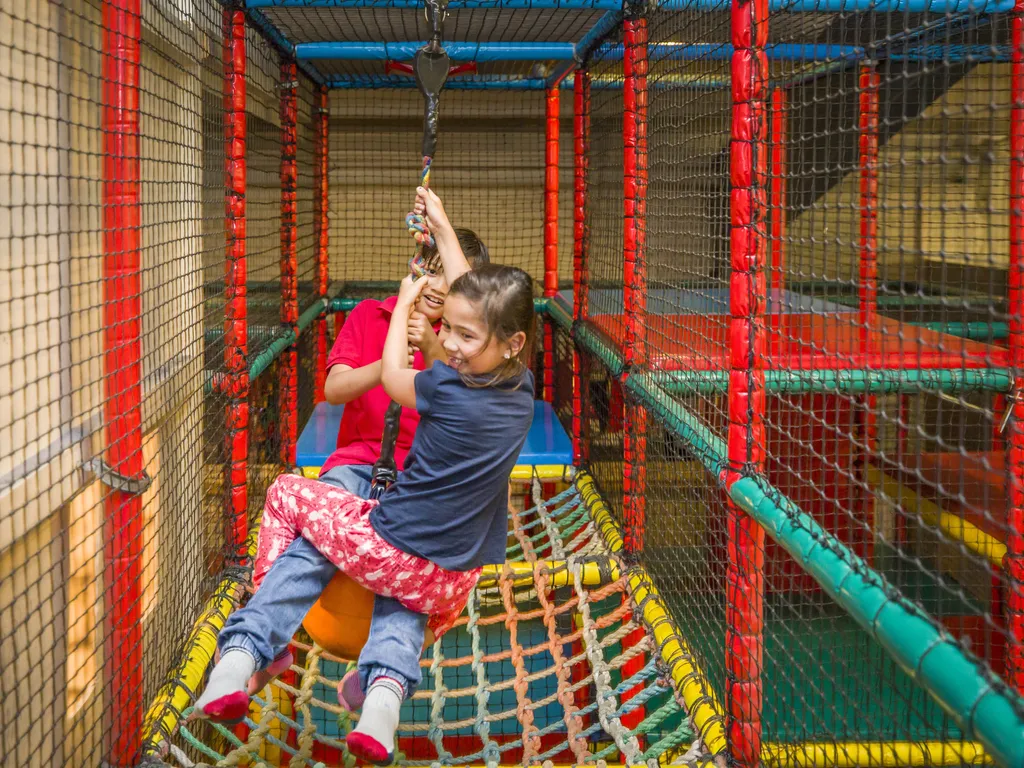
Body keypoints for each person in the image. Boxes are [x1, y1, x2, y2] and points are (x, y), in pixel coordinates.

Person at [193, 191, 536, 767]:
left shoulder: (452, 363)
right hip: (387, 491)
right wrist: (436, 236)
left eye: (462, 324)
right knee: (365, 558)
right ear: (416, 270)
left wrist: (418, 338)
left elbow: (420, 377)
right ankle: (380, 693)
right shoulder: (495, 373)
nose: (452, 334)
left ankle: (250, 647)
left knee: (296, 508)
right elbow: (334, 389)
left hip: (405, 498)